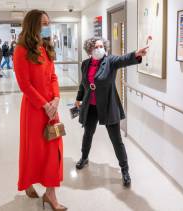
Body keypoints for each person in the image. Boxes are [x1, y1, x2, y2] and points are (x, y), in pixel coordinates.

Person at [75, 37, 148, 187]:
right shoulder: (85, 64)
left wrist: (136, 54)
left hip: (108, 105)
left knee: (116, 140)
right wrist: (79, 98)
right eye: (96, 46)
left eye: (102, 46)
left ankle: (125, 170)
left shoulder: (110, 61)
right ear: (90, 49)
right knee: (88, 134)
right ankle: (84, 157)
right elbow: (83, 84)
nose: (99, 49)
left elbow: (123, 59)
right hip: (91, 106)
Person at [13, 9, 67, 211]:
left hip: (52, 110)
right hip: (35, 111)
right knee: (34, 151)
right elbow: (24, 85)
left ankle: (50, 194)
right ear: (32, 25)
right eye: (44, 24)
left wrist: (56, 98)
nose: (48, 27)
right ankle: (28, 181)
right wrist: (45, 104)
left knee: (55, 149)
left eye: (48, 23)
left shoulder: (46, 47)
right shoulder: (21, 50)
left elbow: (53, 76)